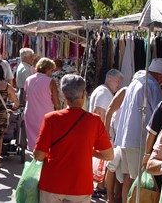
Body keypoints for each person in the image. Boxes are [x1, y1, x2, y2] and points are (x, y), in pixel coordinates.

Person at [33, 74, 114, 202]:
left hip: (52, 183)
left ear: (64, 95)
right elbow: (109, 155)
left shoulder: (51, 119)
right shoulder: (94, 121)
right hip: (80, 186)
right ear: (83, 95)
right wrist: (89, 150)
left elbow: (38, 155)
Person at [113, 58, 162, 202]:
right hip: (138, 138)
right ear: (160, 75)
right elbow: (157, 114)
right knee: (137, 178)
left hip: (126, 138)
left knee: (129, 177)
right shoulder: (151, 85)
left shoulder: (136, 82)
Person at [88, 69, 124, 198]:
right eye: (117, 81)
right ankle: (98, 186)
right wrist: (104, 133)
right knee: (101, 159)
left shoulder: (102, 90)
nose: (119, 84)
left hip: (97, 131)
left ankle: (99, 186)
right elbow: (100, 112)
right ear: (109, 79)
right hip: (100, 132)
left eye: (120, 82)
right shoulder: (104, 93)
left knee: (100, 160)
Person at [23, 57, 61, 151]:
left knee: (33, 142)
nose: (52, 72)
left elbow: (25, 97)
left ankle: (35, 160)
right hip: (46, 114)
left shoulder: (28, 79)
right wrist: (58, 110)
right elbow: (56, 102)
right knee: (46, 141)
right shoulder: (50, 81)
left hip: (30, 113)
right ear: (47, 69)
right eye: (51, 70)